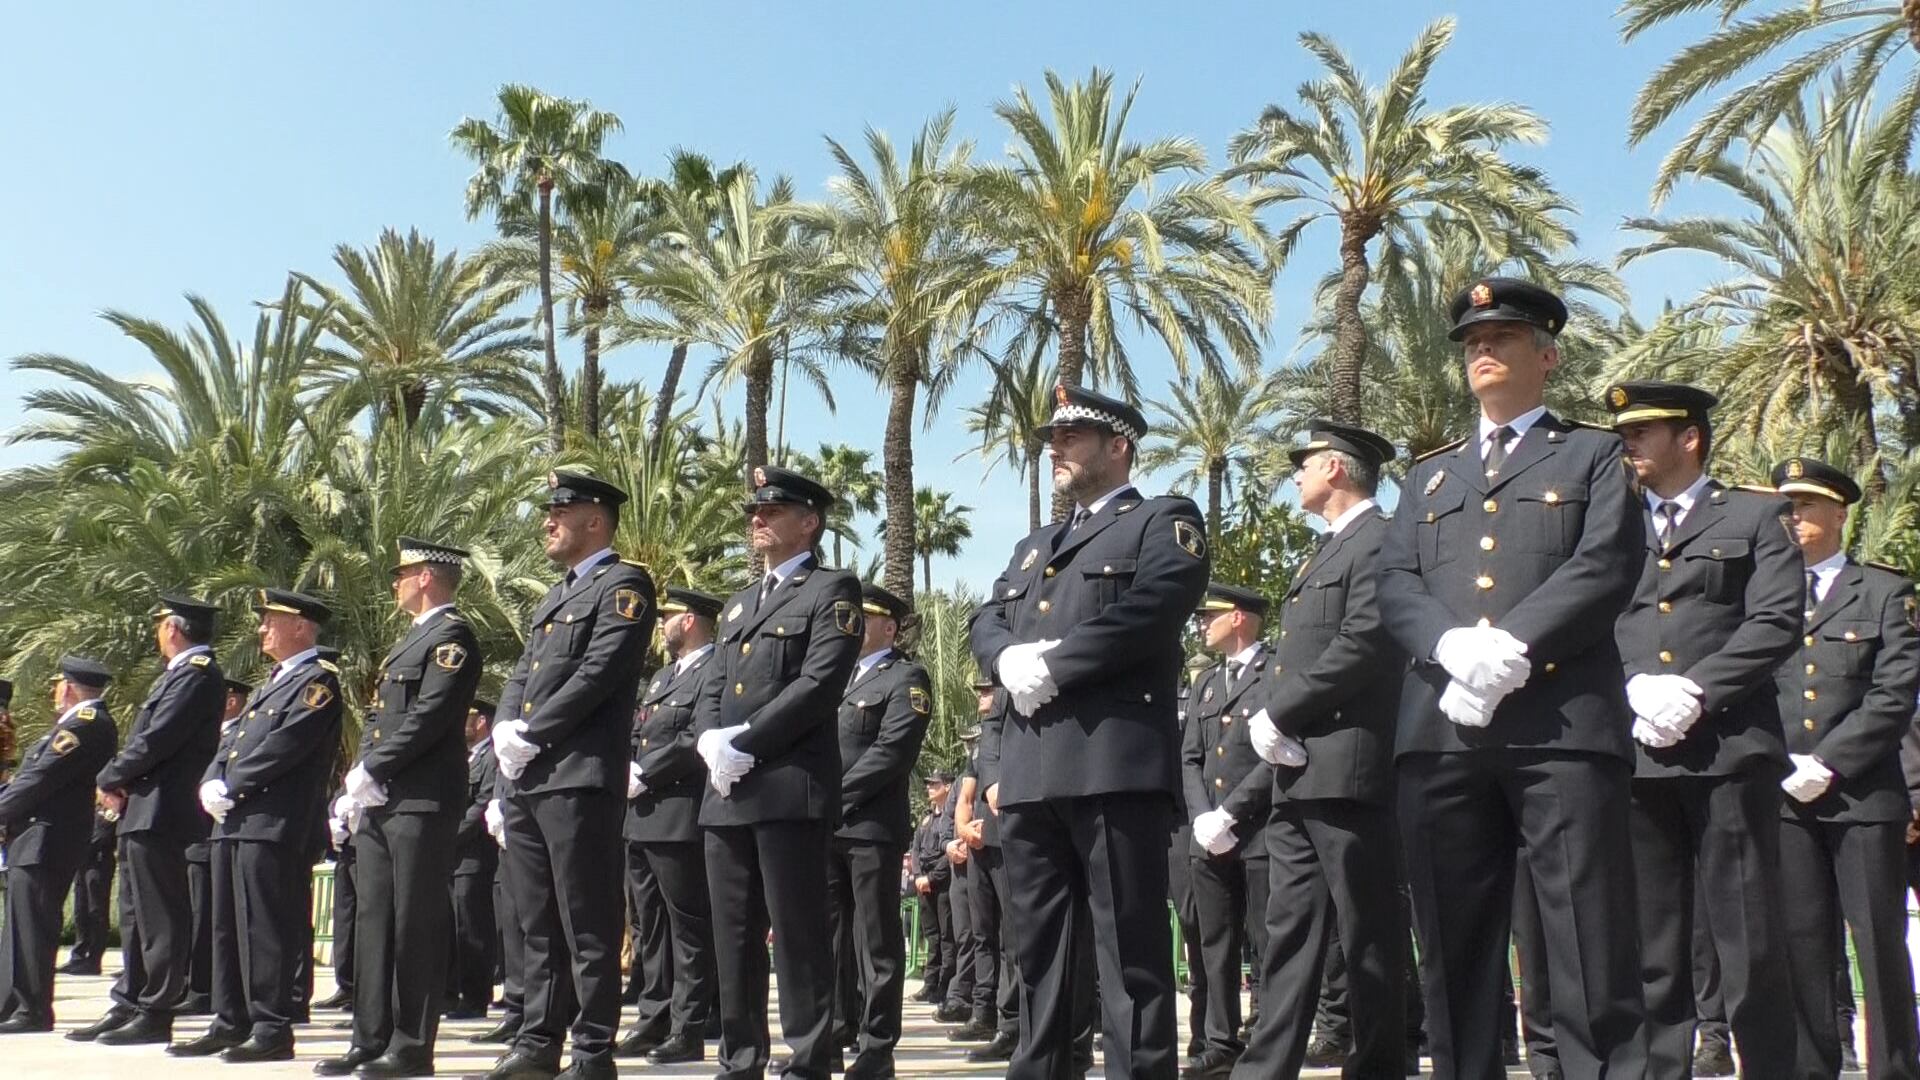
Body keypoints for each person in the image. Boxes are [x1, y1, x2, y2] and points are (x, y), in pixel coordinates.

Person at [1377, 278, 1649, 1077]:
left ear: (1547, 355)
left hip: (1560, 730)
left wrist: (1513, 649)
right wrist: (1453, 649)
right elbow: (1396, 583)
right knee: (1455, 954)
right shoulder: (1426, 476)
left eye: (1501, 337)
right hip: (1442, 731)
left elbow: (1604, 566)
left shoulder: (1593, 454)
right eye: (1471, 342)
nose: (1482, 351)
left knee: (1586, 944)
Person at [971, 383, 1210, 1080]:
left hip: (1112, 765)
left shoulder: (1162, 521)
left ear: (1118, 447)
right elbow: (984, 617)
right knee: (1040, 956)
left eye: (1071, 438)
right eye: (1052, 440)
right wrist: (1006, 655)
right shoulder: (1032, 546)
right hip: (1030, 771)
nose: (1056, 450)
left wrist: (1059, 662)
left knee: (1129, 957)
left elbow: (1155, 605)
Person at [1605, 381, 1803, 1074]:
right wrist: (1634, 687)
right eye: (1624, 432)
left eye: (1643, 431)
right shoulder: (1612, 523)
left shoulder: (1753, 515)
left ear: (1689, 437)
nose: (1628, 443)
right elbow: (1595, 615)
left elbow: (1777, 618)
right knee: (1653, 946)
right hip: (1638, 752)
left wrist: (1699, 688)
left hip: (1730, 751)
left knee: (1748, 939)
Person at [1233, 422, 1410, 1077]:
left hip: (1348, 767)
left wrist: (1280, 709)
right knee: (1289, 932)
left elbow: (1365, 641)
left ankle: (1380, 1065)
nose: (1296, 475)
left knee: (1367, 933)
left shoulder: (1381, 540)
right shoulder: (1321, 552)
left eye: (1303, 464)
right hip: (1298, 769)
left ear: (1335, 468)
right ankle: (1265, 1068)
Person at [486, 471, 656, 1080]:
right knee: (537, 920)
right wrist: (506, 725)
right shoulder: (553, 598)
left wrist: (533, 731)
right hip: (532, 778)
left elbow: (600, 672)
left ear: (595, 520)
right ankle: (538, 1041)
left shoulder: (624, 586)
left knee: (586, 920)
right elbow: (520, 674)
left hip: (580, 774)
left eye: (560, 510)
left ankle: (591, 1051)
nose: (547, 521)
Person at [694, 464, 862, 1080]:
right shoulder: (740, 604)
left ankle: (812, 1058)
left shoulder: (831, 590)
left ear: (809, 523)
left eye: (772, 511)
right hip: (726, 790)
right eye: (753, 512)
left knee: (797, 936)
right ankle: (740, 1059)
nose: (757, 520)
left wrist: (747, 741)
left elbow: (819, 685)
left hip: (788, 786)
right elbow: (712, 685)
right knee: (732, 936)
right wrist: (710, 741)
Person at [1769, 456, 1920, 1076]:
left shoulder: (1884, 590)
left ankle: (1893, 1068)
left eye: (1806, 505)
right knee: (1802, 945)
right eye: (1787, 506)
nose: (1794, 517)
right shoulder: (1764, 596)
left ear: (1839, 512)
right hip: (1784, 795)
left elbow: (1895, 691)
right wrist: (1781, 763)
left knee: (1879, 943)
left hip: (1863, 797)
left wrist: (1829, 761)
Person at [317, 537, 483, 1078]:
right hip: (384, 800)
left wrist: (377, 767)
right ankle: (370, 1037)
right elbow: (379, 718)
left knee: (414, 922)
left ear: (428, 578)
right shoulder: (406, 644)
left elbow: (431, 714)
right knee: (375, 920)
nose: (396, 582)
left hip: (422, 799)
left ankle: (410, 1045)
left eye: (403, 572)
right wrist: (357, 781)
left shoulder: (451, 637)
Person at [171, 588, 343, 1062]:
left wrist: (234, 785)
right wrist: (211, 780)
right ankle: (230, 1020)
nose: (261, 628)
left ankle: (270, 1027)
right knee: (226, 926)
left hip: (272, 822)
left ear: (301, 627)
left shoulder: (317, 682)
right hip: (234, 822)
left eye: (271, 620)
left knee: (265, 928)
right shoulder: (273, 681)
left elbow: (286, 745)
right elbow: (231, 742)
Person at [70, 596, 226, 1047]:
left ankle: (156, 1007)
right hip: (144, 805)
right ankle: (130, 999)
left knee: (161, 915)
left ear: (174, 629)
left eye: (161, 625)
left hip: (165, 808)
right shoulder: (178, 676)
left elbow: (157, 739)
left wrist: (109, 776)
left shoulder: (197, 677)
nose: (158, 633)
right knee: (136, 913)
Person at [829, 582, 933, 1079]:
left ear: (887, 627)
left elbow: (891, 752)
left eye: (862, 617)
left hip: (870, 826)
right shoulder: (836, 678)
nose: (850, 624)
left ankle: (877, 1046)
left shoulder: (905, 677)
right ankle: (832, 1032)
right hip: (826, 828)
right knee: (829, 937)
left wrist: (835, 796)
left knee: (876, 941)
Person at [619, 586, 724, 1066]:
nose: (662, 623)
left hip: (679, 815)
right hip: (640, 817)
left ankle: (688, 1026)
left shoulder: (714, 668)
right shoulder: (662, 677)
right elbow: (641, 731)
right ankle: (653, 1017)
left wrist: (647, 772)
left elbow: (696, 737)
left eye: (669, 616)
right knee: (650, 928)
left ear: (691, 621)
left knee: (688, 929)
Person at [1179, 582, 1275, 1079]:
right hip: (1208, 834)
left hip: (1259, 830)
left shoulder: (1274, 671)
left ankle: (1268, 1036)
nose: (1201, 623)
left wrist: (1231, 813)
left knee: (1267, 939)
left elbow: (1278, 753)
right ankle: (1221, 1039)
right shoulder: (1206, 684)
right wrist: (1202, 817)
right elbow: (1190, 755)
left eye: (1209, 615)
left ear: (1238, 617)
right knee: (1213, 943)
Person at [0, 656, 119, 1032]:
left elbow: (38, 778)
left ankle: (31, 1009)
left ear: (67, 688)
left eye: (57, 685)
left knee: (34, 925)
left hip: (47, 836)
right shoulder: (75, 724)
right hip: (34, 836)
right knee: (20, 924)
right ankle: (12, 1001)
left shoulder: (86, 724)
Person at [182, 675, 251, 1017]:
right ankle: (198, 984)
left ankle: (205, 988)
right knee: (201, 916)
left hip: (220, 832)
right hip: (200, 835)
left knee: (211, 917)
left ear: (231, 701)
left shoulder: (240, 730)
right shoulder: (215, 734)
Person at [448, 698, 499, 1021]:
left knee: (473, 925)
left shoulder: (491, 757)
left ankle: (476, 996)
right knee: (454, 926)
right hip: (453, 856)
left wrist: (451, 835)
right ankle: (451, 992)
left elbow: (482, 803)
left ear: (481, 721)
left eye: (466, 717)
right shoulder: (463, 757)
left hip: (474, 853)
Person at [911, 770, 957, 1006]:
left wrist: (931, 878)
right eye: (928, 784)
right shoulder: (927, 819)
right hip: (924, 884)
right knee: (932, 937)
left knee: (947, 936)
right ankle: (930, 983)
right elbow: (916, 848)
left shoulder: (949, 819)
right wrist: (919, 875)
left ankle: (945, 985)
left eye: (935, 784)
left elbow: (948, 855)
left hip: (942, 884)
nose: (929, 788)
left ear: (947, 787)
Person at [63, 806, 118, 976]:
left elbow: (103, 835)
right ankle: (78, 956)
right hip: (82, 861)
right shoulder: (90, 807)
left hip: (98, 861)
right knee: (81, 910)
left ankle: (94, 959)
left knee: (96, 911)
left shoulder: (109, 808)